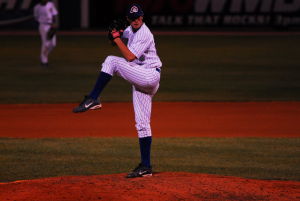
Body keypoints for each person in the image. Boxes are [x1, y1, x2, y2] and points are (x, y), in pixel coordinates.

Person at [73, 3, 162, 178]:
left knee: (111, 61)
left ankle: (93, 98)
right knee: (142, 124)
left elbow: (129, 56)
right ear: (128, 18)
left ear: (142, 17)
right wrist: (115, 34)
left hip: (150, 76)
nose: (135, 20)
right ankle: (146, 167)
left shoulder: (145, 33)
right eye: (132, 18)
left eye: (138, 17)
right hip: (141, 80)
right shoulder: (131, 29)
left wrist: (116, 38)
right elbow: (117, 38)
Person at [34, 0, 58, 67]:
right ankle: (44, 62)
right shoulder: (37, 7)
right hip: (43, 26)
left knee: (53, 44)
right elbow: (36, 17)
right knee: (45, 43)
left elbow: (54, 14)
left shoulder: (50, 4)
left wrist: (54, 23)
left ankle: (43, 56)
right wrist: (43, 21)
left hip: (50, 25)